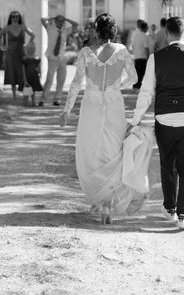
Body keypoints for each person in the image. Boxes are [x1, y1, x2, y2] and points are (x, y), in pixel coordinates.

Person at [129, 16, 184, 231]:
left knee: (167, 163)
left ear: (167, 33)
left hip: (164, 119)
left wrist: (135, 120)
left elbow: (146, 92)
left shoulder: (155, 58)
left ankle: (169, 208)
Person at [59, 13, 144, 225]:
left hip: (92, 105)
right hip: (114, 103)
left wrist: (67, 110)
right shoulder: (122, 51)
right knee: (113, 150)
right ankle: (107, 202)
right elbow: (134, 78)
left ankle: (99, 199)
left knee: (93, 150)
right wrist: (116, 87)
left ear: (96, 31)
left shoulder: (86, 53)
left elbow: (77, 83)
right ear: (113, 31)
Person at [0, 11, 35, 101]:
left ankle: (26, 95)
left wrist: (27, 45)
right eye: (13, 16)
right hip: (10, 53)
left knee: (24, 74)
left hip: (21, 53)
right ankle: (14, 96)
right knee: (12, 73)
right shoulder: (7, 27)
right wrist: (2, 45)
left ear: (19, 17)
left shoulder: (23, 27)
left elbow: (32, 35)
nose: (15, 18)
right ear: (10, 18)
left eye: (16, 16)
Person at [40, 14, 78, 106]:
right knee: (49, 79)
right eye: (58, 21)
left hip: (61, 57)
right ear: (55, 21)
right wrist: (53, 18)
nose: (60, 23)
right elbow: (42, 19)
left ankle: (57, 98)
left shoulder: (65, 30)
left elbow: (76, 24)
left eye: (62, 21)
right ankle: (43, 99)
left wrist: (66, 18)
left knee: (61, 79)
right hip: (52, 57)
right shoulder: (50, 27)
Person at [22, 40, 42, 107]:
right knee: (27, 89)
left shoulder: (37, 58)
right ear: (27, 49)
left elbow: (39, 66)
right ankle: (25, 102)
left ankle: (33, 102)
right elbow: (23, 68)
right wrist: (24, 77)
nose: (31, 50)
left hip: (35, 76)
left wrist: (40, 73)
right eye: (30, 49)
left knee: (34, 89)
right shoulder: (25, 58)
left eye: (33, 49)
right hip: (28, 76)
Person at [131, 20, 150, 89]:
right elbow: (146, 47)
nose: (147, 29)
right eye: (147, 28)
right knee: (142, 71)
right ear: (144, 28)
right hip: (143, 56)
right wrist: (148, 56)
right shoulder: (144, 36)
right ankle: (138, 84)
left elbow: (132, 45)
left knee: (137, 71)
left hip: (136, 56)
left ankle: (136, 84)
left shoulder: (135, 35)